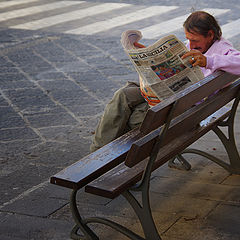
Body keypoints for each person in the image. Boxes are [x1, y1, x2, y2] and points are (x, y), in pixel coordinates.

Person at [90, 11, 240, 152]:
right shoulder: (192, 46)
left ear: (210, 35)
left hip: (184, 107)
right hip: (168, 94)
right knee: (123, 95)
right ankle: (96, 153)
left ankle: (101, 159)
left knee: (133, 118)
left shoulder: (222, 48)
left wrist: (209, 61)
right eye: (188, 39)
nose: (191, 44)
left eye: (195, 40)